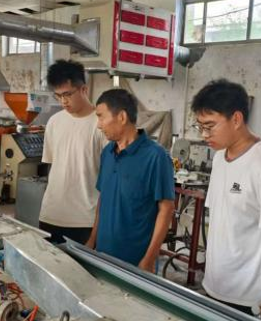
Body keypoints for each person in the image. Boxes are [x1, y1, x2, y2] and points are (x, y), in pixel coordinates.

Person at [191, 79, 261, 321]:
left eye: (210, 126)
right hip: (216, 286)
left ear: (236, 119)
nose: (204, 135)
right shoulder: (220, 158)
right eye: (200, 127)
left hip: (251, 297)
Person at [86, 89, 175, 272]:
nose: (99, 125)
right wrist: (92, 241)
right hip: (103, 255)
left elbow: (166, 210)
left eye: (101, 117)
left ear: (122, 117)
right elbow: (103, 200)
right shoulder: (107, 153)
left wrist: (149, 259)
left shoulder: (156, 157)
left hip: (136, 262)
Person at [38, 59, 106, 244]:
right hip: (51, 214)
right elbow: (53, 167)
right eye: (58, 95)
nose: (63, 101)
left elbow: (109, 178)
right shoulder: (54, 122)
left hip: (84, 219)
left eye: (67, 94)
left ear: (83, 89)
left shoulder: (101, 124)